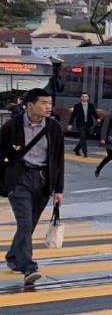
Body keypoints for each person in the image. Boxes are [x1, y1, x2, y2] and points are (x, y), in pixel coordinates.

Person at [1, 88, 65, 285]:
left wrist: (59, 189)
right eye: (44, 103)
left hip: (43, 181)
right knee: (25, 223)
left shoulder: (54, 127)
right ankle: (29, 268)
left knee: (29, 224)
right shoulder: (12, 126)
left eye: (50, 103)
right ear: (30, 105)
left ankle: (13, 257)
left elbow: (58, 159)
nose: (48, 107)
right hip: (19, 179)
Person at [68, 92, 97, 157]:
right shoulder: (77, 106)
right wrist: (70, 124)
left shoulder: (91, 106)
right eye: (83, 96)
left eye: (86, 96)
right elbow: (73, 116)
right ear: (80, 98)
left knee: (84, 138)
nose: (84, 98)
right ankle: (85, 152)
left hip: (88, 124)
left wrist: (98, 119)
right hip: (80, 124)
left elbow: (94, 113)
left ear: (88, 98)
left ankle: (76, 149)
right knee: (83, 137)